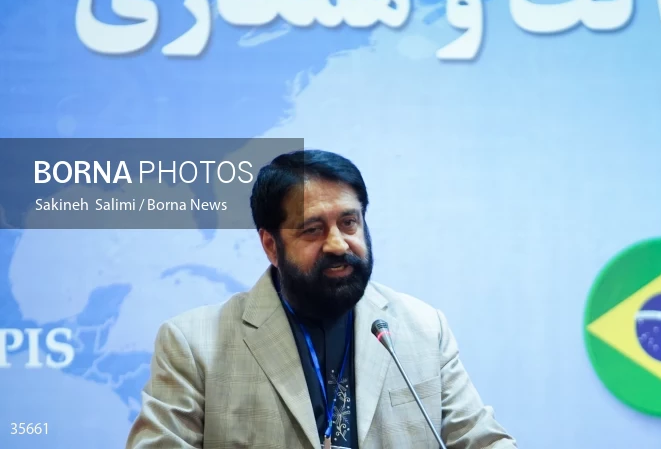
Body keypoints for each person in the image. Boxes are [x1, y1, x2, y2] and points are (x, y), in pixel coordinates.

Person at [126, 149, 516, 449]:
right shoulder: (194, 344)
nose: (337, 244)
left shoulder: (423, 328)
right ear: (270, 245)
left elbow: (484, 442)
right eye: (312, 230)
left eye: (349, 223)